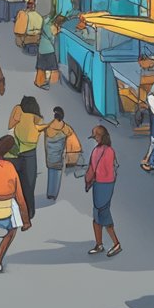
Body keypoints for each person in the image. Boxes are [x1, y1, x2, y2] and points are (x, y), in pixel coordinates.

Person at [0, 135, 31, 274]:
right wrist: (26, 221)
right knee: (12, 230)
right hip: (6, 208)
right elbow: (20, 198)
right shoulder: (10, 168)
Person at [7, 96, 47, 219]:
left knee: (12, 185)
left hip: (12, 154)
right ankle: (29, 212)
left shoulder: (17, 111)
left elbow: (9, 128)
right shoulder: (38, 119)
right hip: (30, 153)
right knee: (28, 186)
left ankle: (13, 212)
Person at [85, 125, 122, 257]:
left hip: (102, 185)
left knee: (101, 213)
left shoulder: (100, 151)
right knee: (98, 214)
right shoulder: (107, 150)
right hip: (105, 185)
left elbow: (93, 169)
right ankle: (99, 243)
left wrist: (88, 181)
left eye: (95, 136)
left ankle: (115, 243)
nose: (95, 139)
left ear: (101, 136)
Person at [44, 107, 82, 201]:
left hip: (49, 158)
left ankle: (49, 193)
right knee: (56, 175)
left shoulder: (49, 127)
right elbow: (74, 143)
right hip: (58, 159)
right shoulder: (66, 128)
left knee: (50, 173)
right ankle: (53, 194)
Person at [34, 15, 63, 89]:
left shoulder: (45, 23)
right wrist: (58, 30)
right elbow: (53, 35)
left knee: (41, 67)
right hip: (49, 49)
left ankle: (38, 82)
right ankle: (45, 82)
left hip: (41, 48)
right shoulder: (52, 27)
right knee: (49, 67)